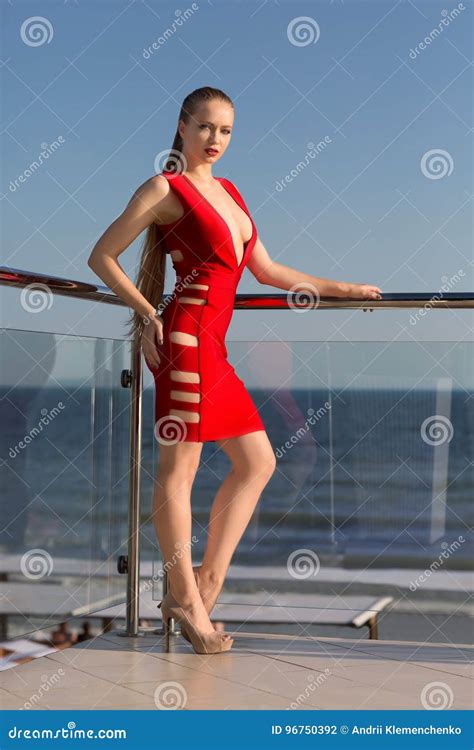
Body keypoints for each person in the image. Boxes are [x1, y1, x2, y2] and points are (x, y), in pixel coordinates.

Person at [87, 86, 382, 655]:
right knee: (178, 473)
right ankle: (188, 601)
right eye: (204, 127)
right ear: (181, 126)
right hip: (184, 341)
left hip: (213, 348)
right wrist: (147, 311)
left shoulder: (230, 192)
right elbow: (101, 256)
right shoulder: (163, 188)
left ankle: (202, 585)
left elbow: (266, 269)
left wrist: (343, 288)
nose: (214, 140)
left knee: (258, 460)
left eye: (225, 131)